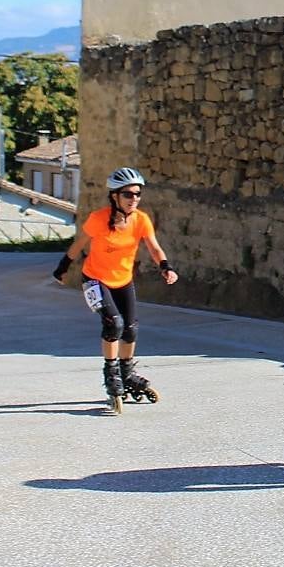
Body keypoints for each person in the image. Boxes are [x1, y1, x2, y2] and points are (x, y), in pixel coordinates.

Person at [53, 167, 178, 411]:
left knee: (130, 329)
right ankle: (112, 375)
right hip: (95, 280)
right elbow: (78, 245)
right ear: (114, 196)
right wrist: (63, 267)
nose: (134, 199)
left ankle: (126, 373)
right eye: (128, 194)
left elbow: (154, 247)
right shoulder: (98, 219)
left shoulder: (141, 219)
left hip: (123, 280)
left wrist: (165, 266)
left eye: (138, 194)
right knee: (114, 324)